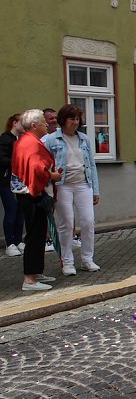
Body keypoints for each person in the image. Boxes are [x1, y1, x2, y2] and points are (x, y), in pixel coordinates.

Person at [42, 104, 100, 276]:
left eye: (77, 119)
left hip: (83, 184)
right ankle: (67, 262)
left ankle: (87, 259)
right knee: (66, 223)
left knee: (88, 221)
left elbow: (91, 164)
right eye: (71, 119)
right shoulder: (52, 140)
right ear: (63, 120)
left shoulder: (84, 139)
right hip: (62, 185)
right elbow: (45, 165)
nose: (75, 122)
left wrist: (95, 190)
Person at [12, 109, 62, 291]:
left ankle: (36, 272)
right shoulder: (30, 143)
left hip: (30, 193)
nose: (46, 124)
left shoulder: (28, 141)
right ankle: (29, 279)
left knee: (39, 233)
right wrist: (53, 175)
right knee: (34, 235)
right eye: (43, 122)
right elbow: (37, 169)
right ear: (33, 125)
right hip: (31, 194)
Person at [1, 113, 26, 256]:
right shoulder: (5, 139)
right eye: (22, 122)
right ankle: (9, 243)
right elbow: (2, 159)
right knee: (11, 210)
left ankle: (18, 240)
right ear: (15, 123)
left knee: (20, 210)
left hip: (20, 179)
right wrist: (17, 163)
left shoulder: (22, 139)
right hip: (6, 180)